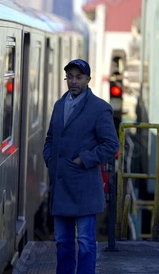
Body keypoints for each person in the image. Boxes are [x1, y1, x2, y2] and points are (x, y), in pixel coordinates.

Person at [43, 59, 119, 274]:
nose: (73, 82)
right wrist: (49, 158)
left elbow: (111, 145)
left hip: (84, 186)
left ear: (88, 79)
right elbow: (50, 139)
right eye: (70, 77)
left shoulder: (99, 108)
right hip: (60, 186)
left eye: (78, 77)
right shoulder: (60, 104)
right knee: (63, 242)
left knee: (85, 242)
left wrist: (83, 160)